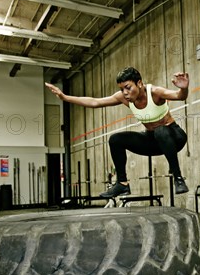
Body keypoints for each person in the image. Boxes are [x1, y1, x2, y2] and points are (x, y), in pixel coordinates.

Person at [45, 67, 189, 197]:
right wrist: (65, 97)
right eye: (122, 89)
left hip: (174, 137)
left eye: (127, 87)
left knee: (161, 131)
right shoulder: (125, 98)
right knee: (116, 139)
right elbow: (95, 102)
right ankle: (122, 184)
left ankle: (178, 178)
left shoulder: (155, 92)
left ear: (139, 83)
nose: (125, 93)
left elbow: (180, 96)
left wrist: (183, 88)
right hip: (153, 141)